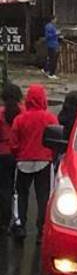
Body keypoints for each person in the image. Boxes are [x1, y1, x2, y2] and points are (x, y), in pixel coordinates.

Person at [11, 84, 58, 239]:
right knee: (44, 196)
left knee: (20, 194)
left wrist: (18, 154)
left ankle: (20, 225)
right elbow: (56, 139)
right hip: (44, 161)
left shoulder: (20, 118)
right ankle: (42, 229)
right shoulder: (49, 117)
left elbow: (14, 142)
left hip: (23, 161)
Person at [0, 83, 20, 235]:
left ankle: (3, 221)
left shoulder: (1, 113)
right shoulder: (22, 113)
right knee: (16, 189)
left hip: (2, 154)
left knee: (4, 188)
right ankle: (15, 219)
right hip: (18, 155)